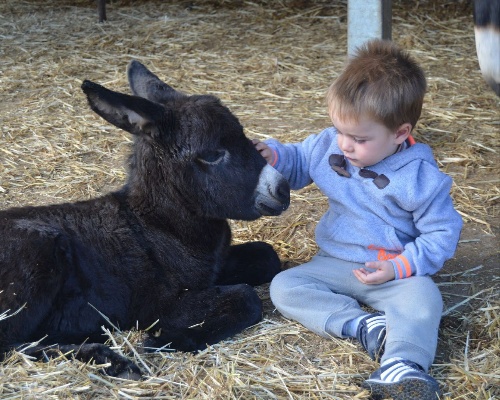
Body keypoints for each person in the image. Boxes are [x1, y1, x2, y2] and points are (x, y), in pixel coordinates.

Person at [253, 39, 463, 400]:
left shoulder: (420, 178)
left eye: (359, 138)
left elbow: (442, 233)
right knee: (285, 285)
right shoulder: (332, 146)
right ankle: (365, 326)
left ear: (400, 133)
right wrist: (275, 155)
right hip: (333, 263)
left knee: (425, 299)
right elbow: (301, 161)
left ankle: (402, 364)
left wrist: (399, 268)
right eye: (339, 131)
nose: (344, 146)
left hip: (393, 273)